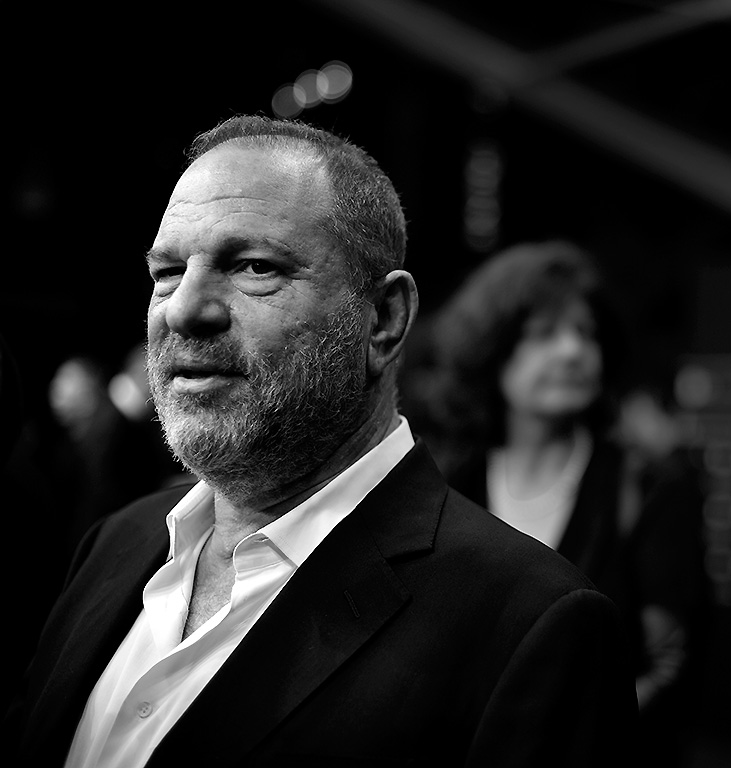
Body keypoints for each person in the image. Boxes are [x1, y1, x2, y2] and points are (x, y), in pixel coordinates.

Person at [5, 116, 637, 767]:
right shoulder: (113, 546)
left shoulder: (532, 625)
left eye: (254, 267)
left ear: (385, 319)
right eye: (166, 271)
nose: (182, 308)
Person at [426, 241, 711, 765]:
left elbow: (669, 666)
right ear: (492, 350)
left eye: (586, 333)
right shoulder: (446, 482)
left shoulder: (649, 486)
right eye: (543, 334)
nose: (572, 351)